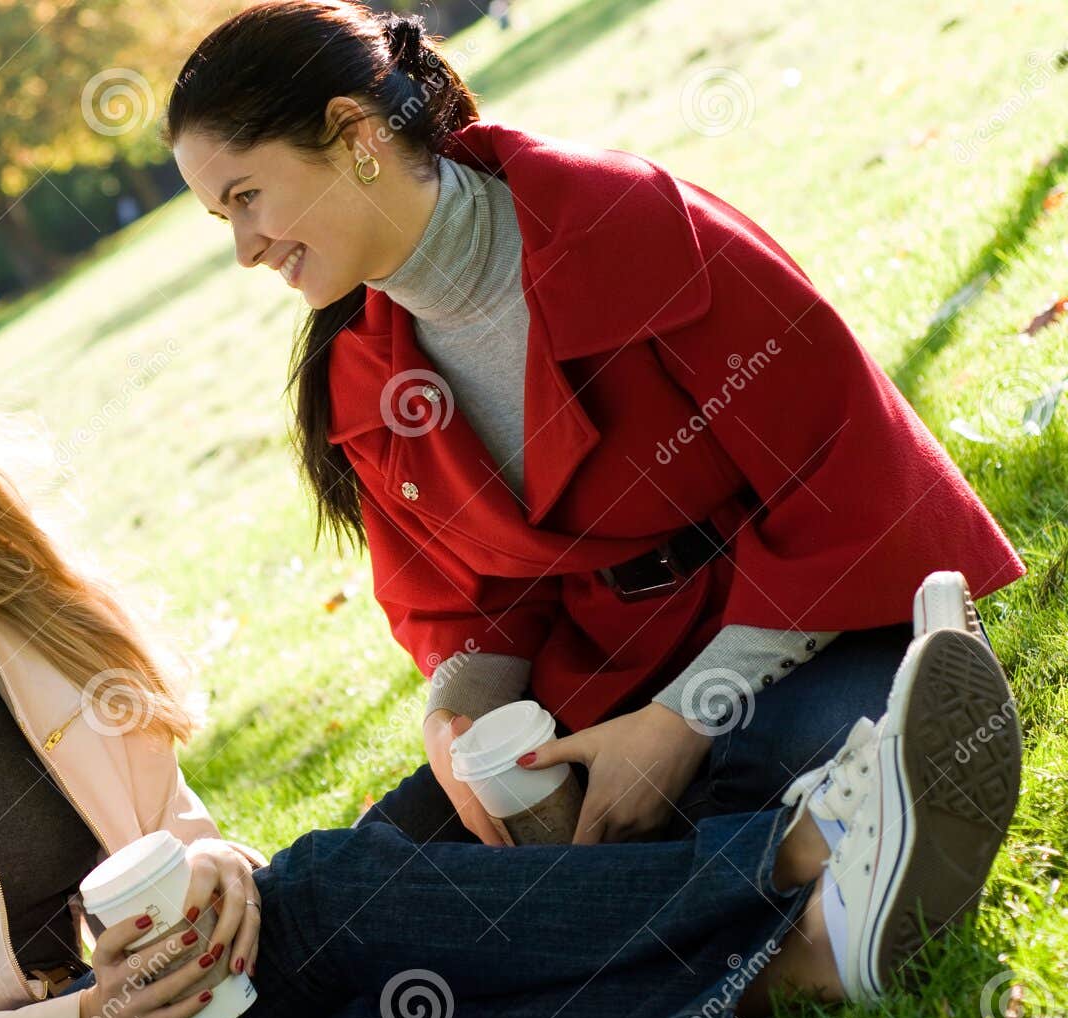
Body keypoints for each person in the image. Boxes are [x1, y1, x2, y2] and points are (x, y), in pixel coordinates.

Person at [0, 319, 1021, 1018]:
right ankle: (800, 861)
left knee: (378, 1000)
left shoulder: (24, 619)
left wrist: (216, 881)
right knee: (340, 893)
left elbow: (174, 833)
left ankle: (793, 969)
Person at [164, 0, 1026, 848]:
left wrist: (682, 720)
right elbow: (472, 610)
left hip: (808, 635)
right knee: (374, 863)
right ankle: (764, 878)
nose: (245, 248)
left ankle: (741, 882)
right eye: (221, 218)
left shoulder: (628, 225)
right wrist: (461, 727)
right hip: (606, 679)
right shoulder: (358, 382)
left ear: (354, 137)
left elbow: (847, 482)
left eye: (247, 197)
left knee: (775, 765)